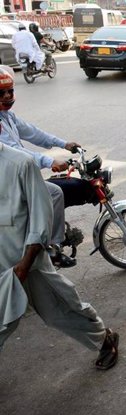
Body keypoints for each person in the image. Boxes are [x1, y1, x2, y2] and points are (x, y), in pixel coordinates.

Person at [0, 143, 119, 370]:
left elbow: (41, 215)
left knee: (60, 310)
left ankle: (104, 338)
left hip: (25, 263)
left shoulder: (20, 164)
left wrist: (26, 264)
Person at [0, 68, 80, 267]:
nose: (8, 96)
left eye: (10, 91)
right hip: (7, 178)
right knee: (54, 193)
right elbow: (15, 154)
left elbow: (34, 133)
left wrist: (63, 143)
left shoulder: (8, 117)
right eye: (2, 93)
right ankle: (52, 246)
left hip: (18, 171)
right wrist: (49, 162)